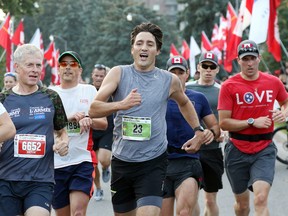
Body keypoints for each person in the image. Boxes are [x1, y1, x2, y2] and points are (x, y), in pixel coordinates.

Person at [88, 22, 210, 216]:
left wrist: (198, 130)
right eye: (139, 43)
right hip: (122, 161)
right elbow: (94, 109)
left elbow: (185, 103)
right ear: (132, 49)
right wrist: (121, 104)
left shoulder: (168, 80)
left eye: (150, 44)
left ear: (157, 50)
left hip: (153, 162)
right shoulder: (118, 73)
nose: (144, 47)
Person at [218, 39, 288, 216]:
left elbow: (286, 102)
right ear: (239, 60)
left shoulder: (273, 82)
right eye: (245, 59)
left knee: (260, 199)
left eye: (252, 58)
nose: (249, 63)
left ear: (258, 58)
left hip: (264, 148)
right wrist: (251, 121)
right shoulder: (228, 86)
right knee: (242, 206)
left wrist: (284, 113)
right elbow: (224, 122)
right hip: (237, 150)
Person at [0, 44, 69, 216]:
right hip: (6, 178)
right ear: (17, 67)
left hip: (40, 180)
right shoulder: (3, 99)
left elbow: (62, 132)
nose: (35, 70)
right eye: (29, 65)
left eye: (38, 65)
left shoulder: (51, 97)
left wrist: (63, 143)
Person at [50, 51, 108, 216]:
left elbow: (103, 123)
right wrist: (68, 120)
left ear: (80, 70)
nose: (68, 67)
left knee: (78, 213)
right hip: (56, 164)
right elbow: (44, 126)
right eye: (63, 64)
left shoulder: (89, 91)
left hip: (82, 161)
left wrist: (89, 120)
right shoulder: (50, 94)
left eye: (72, 64)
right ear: (58, 69)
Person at [162, 56, 219, 216]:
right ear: (166, 74)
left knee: (185, 212)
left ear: (187, 74)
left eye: (181, 72)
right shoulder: (158, 97)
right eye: (173, 72)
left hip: (188, 161)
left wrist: (209, 132)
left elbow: (215, 126)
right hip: (161, 162)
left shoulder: (198, 98)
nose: (177, 75)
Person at [186, 51, 224, 216]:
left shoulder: (222, 90)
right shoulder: (186, 88)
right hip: (190, 150)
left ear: (217, 69)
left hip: (212, 148)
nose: (208, 70)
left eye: (212, 67)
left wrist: (224, 132)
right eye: (205, 66)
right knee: (191, 198)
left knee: (210, 199)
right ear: (199, 67)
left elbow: (227, 117)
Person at [91, 63, 114, 201]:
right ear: (92, 76)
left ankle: (106, 168)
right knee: (93, 165)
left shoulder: (110, 90)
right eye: (97, 75)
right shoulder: (87, 90)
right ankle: (98, 188)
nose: (99, 78)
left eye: (102, 76)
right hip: (91, 131)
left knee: (104, 160)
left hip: (106, 130)